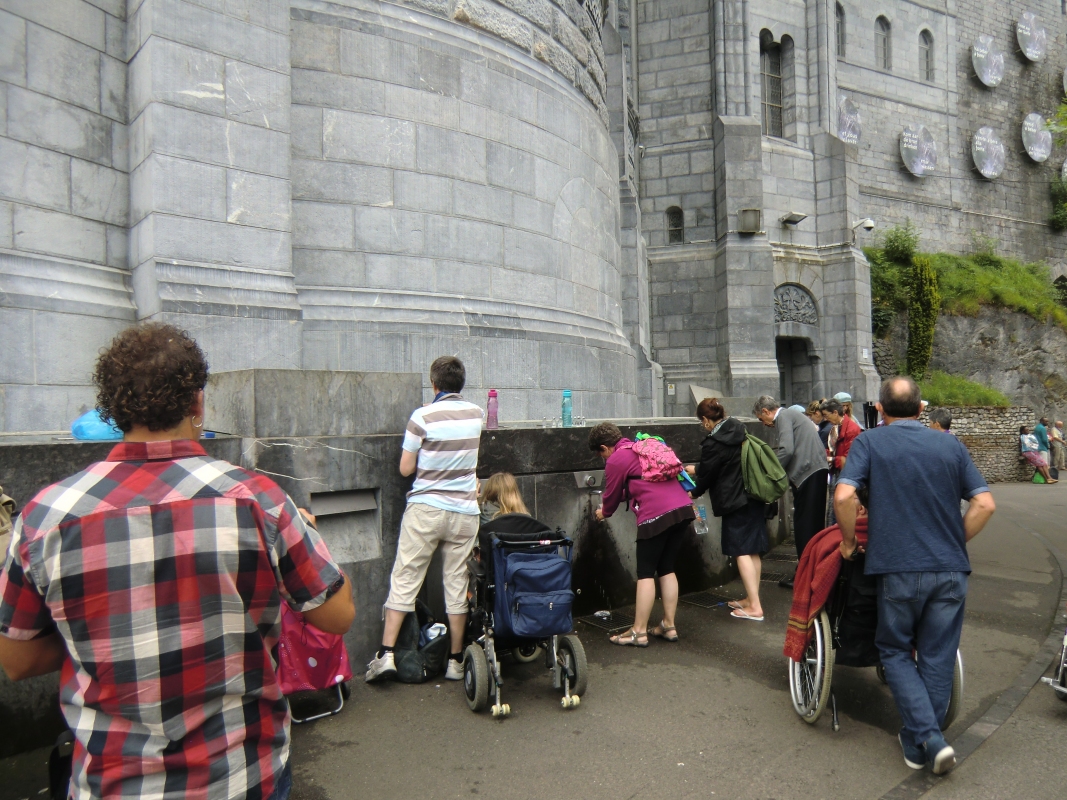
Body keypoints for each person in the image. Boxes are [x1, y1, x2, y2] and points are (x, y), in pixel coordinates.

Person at [0, 323, 354, 800]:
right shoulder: (258, 500)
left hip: (111, 784)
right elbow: (337, 614)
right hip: (242, 775)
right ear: (197, 402)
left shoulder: (45, 516)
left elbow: (17, 660)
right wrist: (306, 530)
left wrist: (108, 636)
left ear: (113, 407)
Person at [835, 376, 995, 775]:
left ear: (880, 409)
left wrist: (849, 542)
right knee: (937, 655)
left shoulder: (870, 442)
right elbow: (985, 504)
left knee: (894, 650)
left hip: (898, 568)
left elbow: (842, 496)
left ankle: (929, 737)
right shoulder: (950, 444)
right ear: (922, 409)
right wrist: (955, 542)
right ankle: (922, 738)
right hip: (950, 569)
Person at [366, 356, 484, 683]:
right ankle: (457, 661)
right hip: (464, 512)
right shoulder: (477, 414)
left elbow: (405, 468)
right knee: (457, 585)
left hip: (426, 510)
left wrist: (423, 418)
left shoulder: (421, 417)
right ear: (461, 383)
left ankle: (386, 655)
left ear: (433, 384)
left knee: (406, 577)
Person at [591, 422, 695, 646]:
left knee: (646, 573)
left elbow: (611, 496)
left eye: (600, 454)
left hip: (656, 515)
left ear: (604, 447)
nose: (603, 459)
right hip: (682, 509)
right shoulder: (642, 446)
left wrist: (603, 513)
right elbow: (635, 485)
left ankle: (639, 632)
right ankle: (668, 625)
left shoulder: (616, 460)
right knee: (666, 567)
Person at [689, 399, 767, 622]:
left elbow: (709, 473)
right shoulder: (738, 429)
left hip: (734, 500)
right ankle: (752, 599)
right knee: (752, 550)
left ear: (705, 420)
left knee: (741, 550)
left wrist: (694, 491)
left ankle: (755, 608)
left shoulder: (714, 442)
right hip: (753, 495)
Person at [753, 397, 829, 587]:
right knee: (812, 525)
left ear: (765, 411)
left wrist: (771, 473)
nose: (764, 424)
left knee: (805, 526)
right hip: (814, 470)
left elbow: (786, 450)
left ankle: (804, 576)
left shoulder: (784, 416)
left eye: (762, 419)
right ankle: (812, 572)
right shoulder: (793, 415)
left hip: (808, 473)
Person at [822, 398, 862, 526]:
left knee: (839, 508)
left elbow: (848, 459)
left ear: (835, 412)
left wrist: (829, 458)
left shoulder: (851, 429)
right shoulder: (836, 427)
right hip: (838, 472)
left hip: (844, 475)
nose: (825, 419)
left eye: (826, 415)